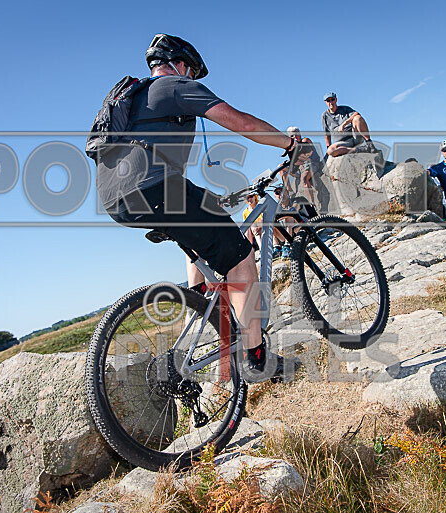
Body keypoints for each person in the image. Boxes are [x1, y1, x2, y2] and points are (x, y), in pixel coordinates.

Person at [95, 34, 301, 380]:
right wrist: (289, 143)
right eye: (191, 71)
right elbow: (242, 123)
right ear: (180, 64)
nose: (191, 78)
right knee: (239, 254)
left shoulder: (136, 98)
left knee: (204, 214)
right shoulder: (173, 86)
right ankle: (258, 359)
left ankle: (202, 301)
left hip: (118, 200)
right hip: (155, 188)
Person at [321, 92, 378, 157]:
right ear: (326, 102)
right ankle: (358, 150)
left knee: (357, 118)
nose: (331, 102)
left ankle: (369, 144)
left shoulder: (345, 109)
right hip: (343, 143)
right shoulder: (325, 116)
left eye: (332, 99)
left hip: (355, 137)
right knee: (330, 151)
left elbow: (357, 114)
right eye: (328, 100)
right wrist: (328, 148)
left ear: (336, 100)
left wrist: (344, 124)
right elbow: (327, 134)